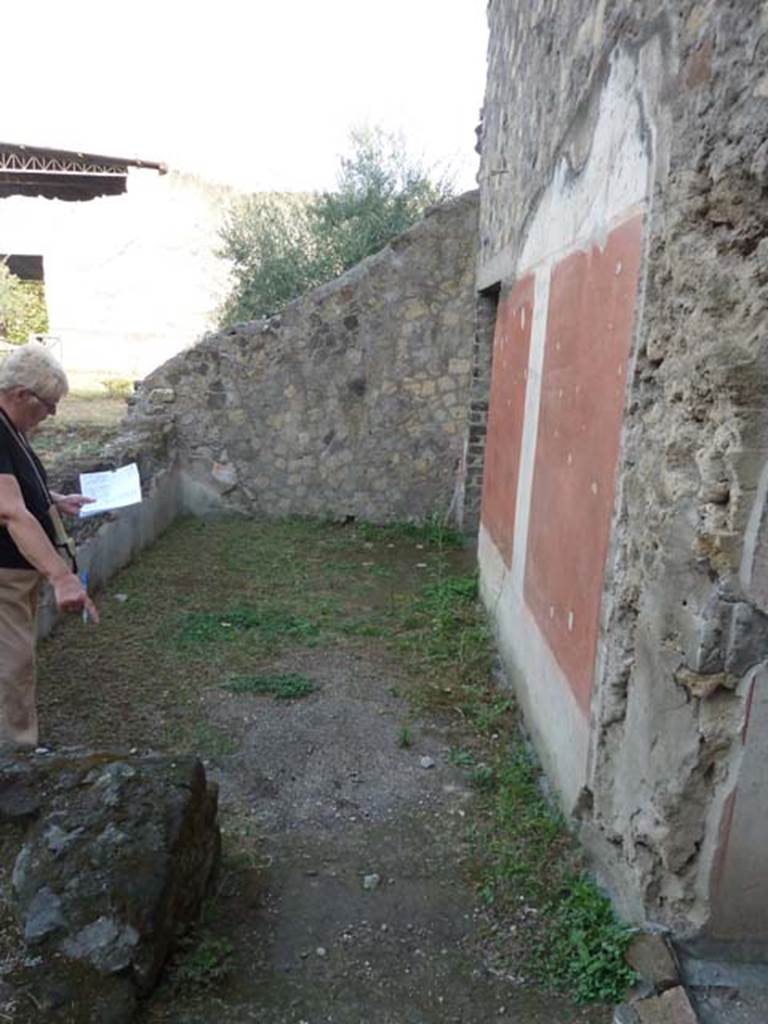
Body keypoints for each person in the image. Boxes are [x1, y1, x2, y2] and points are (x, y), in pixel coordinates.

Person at [0, 342, 99, 749]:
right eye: (49, 404)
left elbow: (18, 490)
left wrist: (53, 500)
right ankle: (16, 765)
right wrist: (62, 576)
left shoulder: (12, 429)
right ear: (21, 395)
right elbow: (10, 513)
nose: (53, 414)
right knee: (11, 666)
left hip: (16, 578)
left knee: (18, 663)